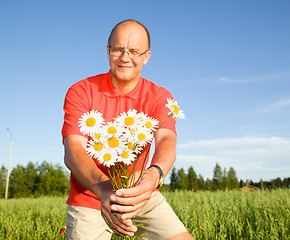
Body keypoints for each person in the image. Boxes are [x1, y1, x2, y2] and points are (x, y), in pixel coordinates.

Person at [62, 19, 194, 240]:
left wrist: (154, 176)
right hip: (91, 196)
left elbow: (166, 142)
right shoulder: (81, 91)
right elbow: (74, 150)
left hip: (142, 194)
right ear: (108, 51)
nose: (125, 58)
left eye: (134, 51)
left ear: (146, 56)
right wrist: (105, 190)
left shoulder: (160, 97)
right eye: (118, 49)